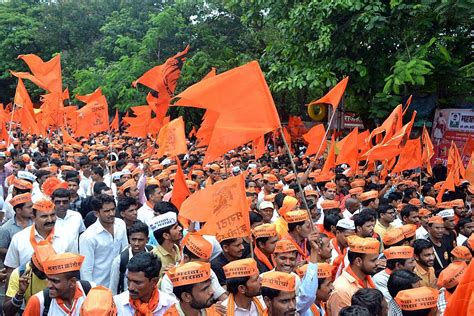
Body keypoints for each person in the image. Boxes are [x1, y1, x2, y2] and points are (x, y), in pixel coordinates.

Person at [4, 198, 73, 272]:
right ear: (33, 218)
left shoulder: (67, 236)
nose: (50, 220)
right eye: (44, 216)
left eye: (52, 215)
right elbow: (11, 269)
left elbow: (72, 267)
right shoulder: (19, 238)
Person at [160, 232, 227, 302]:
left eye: (207, 263)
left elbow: (220, 294)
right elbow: (171, 307)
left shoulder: (207, 270)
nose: (204, 267)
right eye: (199, 264)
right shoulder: (169, 279)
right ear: (186, 258)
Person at [79, 194, 128, 286]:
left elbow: (125, 252)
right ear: (96, 213)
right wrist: (91, 292)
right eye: (107, 211)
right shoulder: (88, 237)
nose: (112, 214)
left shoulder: (121, 224)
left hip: (119, 284)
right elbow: (86, 271)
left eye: (113, 209)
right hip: (99, 287)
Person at [23, 252, 93, 315]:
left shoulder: (92, 291)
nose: (48, 285)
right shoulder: (38, 301)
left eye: (55, 281)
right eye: (48, 279)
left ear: (72, 282)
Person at [326, 236, 380, 316]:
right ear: (358, 261)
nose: (377, 263)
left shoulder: (367, 278)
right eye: (373, 260)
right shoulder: (342, 290)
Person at [3, 241, 55, 315]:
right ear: (32, 265)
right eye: (41, 272)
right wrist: (20, 293)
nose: (45, 275)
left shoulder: (60, 275)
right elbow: (8, 312)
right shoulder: (19, 274)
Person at [109, 221, 153, 295]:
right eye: (133, 239)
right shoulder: (120, 261)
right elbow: (113, 289)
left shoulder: (153, 253)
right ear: (129, 239)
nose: (136, 244)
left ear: (147, 240)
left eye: (140, 240)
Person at [149, 211, 183, 278]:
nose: (180, 228)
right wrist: (167, 276)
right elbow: (152, 285)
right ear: (166, 235)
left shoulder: (175, 247)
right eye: (175, 227)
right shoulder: (154, 258)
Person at [51, 188, 85, 253]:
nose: (61, 205)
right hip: (53, 259)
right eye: (58, 202)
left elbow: (82, 235)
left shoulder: (76, 216)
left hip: (74, 260)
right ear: (52, 202)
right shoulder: (48, 219)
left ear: (70, 201)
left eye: (65, 202)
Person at [0, 193, 33, 260]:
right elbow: (1, 248)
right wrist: (17, 253)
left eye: (32, 206)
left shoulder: (36, 221)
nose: (32, 209)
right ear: (18, 210)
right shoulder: (6, 228)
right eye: (29, 207)